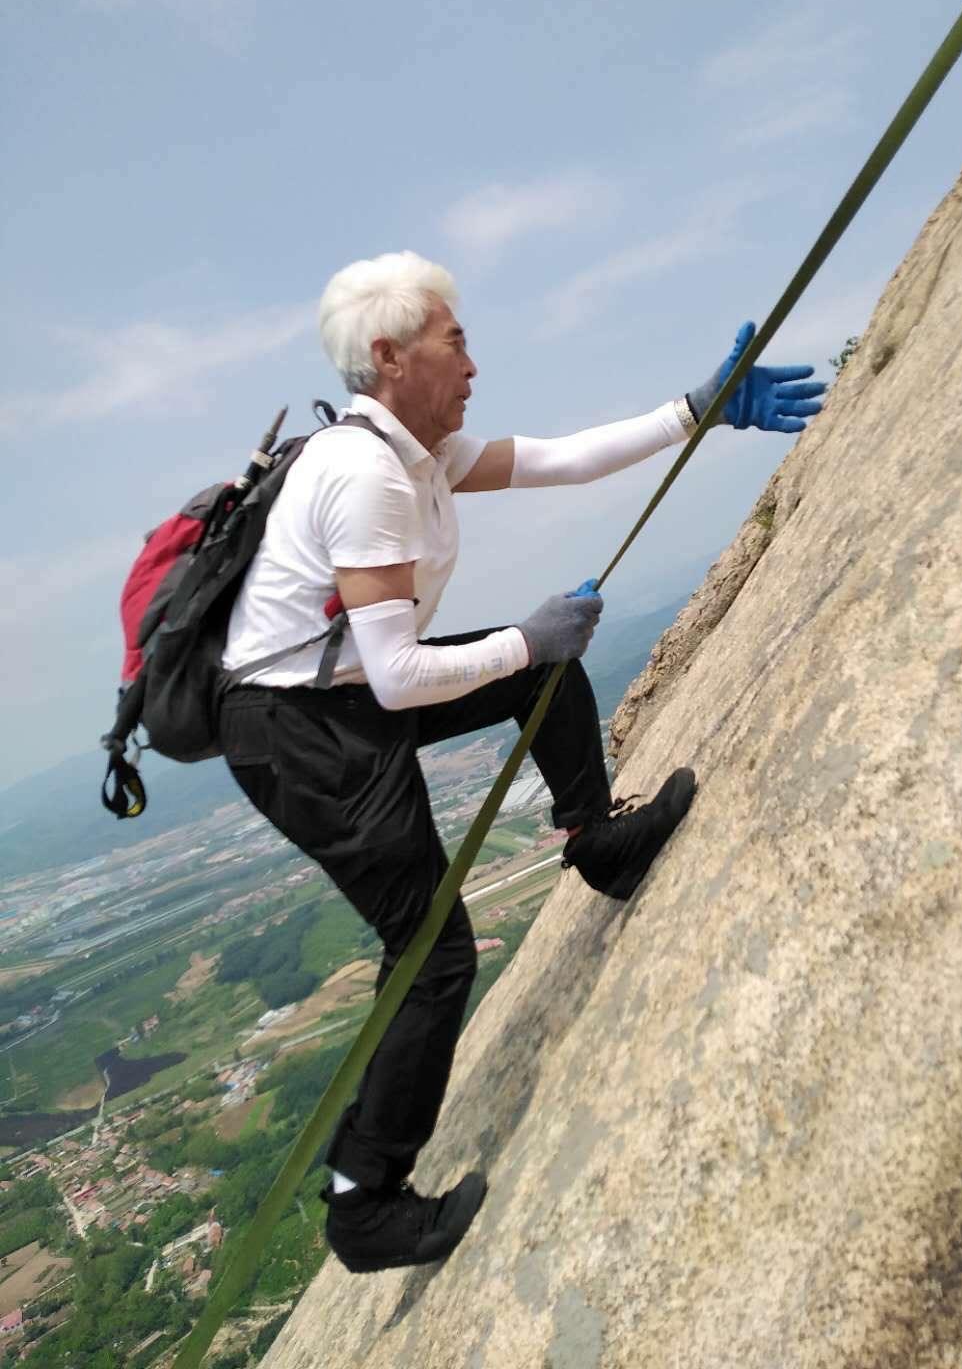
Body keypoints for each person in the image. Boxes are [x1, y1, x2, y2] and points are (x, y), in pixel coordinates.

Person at [218, 251, 824, 1274]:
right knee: (434, 954)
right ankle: (365, 1204)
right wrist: (528, 641)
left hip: (329, 703)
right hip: (301, 734)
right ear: (388, 355)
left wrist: (699, 407)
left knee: (541, 671)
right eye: (454, 342)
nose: (473, 364)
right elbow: (401, 676)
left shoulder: (418, 454)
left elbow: (566, 458)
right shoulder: (365, 472)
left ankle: (599, 844)